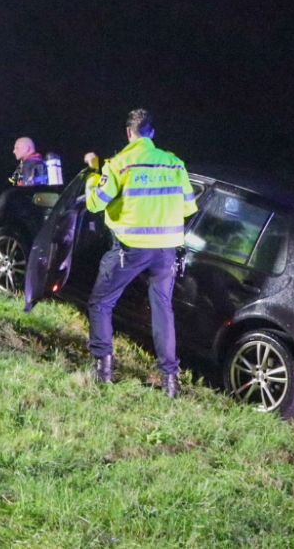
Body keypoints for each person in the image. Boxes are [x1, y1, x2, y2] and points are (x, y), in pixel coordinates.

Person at [83, 109, 197, 398]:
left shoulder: (119, 164)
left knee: (100, 302)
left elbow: (95, 203)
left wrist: (93, 174)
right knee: (162, 310)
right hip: (166, 251)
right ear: (152, 133)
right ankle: (170, 381)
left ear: (129, 133)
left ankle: (103, 371)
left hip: (130, 248)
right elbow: (187, 208)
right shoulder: (174, 164)